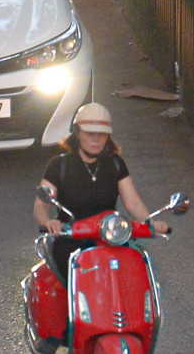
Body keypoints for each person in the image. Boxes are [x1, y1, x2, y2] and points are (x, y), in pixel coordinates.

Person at [34, 103, 170, 280]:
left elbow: (133, 203)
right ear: (78, 132)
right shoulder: (59, 165)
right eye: (90, 133)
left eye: (102, 134)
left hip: (110, 235)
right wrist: (48, 222)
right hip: (70, 236)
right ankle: (73, 298)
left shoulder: (115, 164)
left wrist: (150, 222)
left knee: (135, 268)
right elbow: (41, 204)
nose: (96, 139)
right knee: (72, 272)